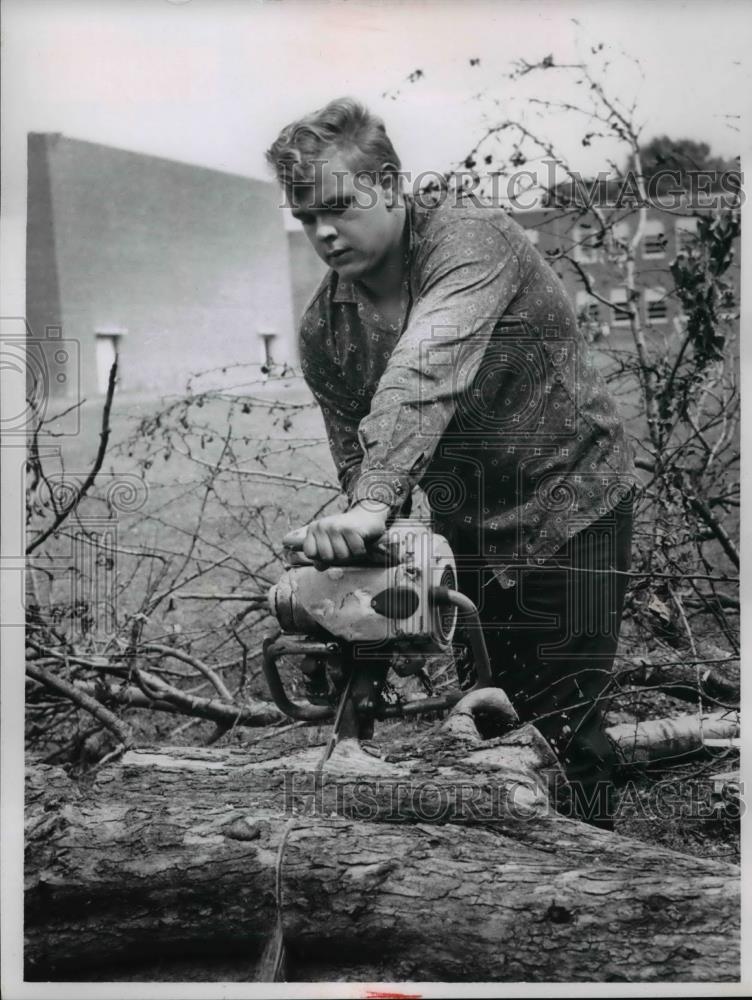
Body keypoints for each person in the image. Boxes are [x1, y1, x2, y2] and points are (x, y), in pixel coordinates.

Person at [265, 97, 639, 828]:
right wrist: (360, 557)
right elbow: (361, 468)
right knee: (490, 714)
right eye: (305, 218)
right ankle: (501, 883)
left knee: (563, 724)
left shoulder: (469, 237)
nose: (323, 232)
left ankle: (597, 881)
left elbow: (424, 368)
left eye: (338, 206)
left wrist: (372, 500)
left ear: (392, 184)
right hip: (468, 525)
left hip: (572, 497)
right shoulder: (324, 331)